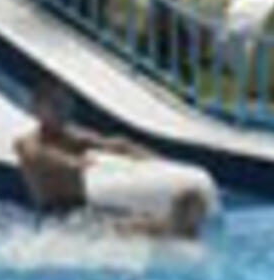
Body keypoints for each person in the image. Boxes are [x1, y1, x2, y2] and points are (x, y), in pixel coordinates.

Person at [13, 82, 205, 237]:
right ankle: (174, 226)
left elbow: (117, 144)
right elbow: (38, 155)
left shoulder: (73, 137)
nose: (62, 111)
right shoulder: (27, 142)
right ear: (36, 109)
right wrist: (73, 162)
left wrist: (162, 166)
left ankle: (176, 226)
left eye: (65, 106)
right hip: (55, 219)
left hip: (83, 211)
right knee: (131, 227)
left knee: (140, 217)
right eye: (55, 106)